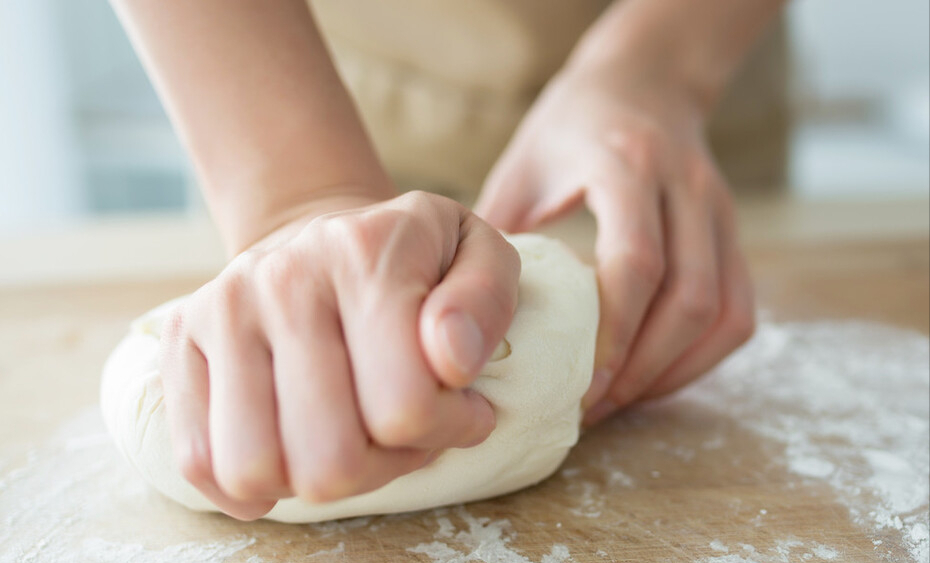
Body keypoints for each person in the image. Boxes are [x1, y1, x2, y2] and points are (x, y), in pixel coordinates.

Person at [113, 0, 783, 520]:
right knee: (291, 322)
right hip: (284, 80)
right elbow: (294, 208)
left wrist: (660, 63)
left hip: (682, 78)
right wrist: (298, 198)